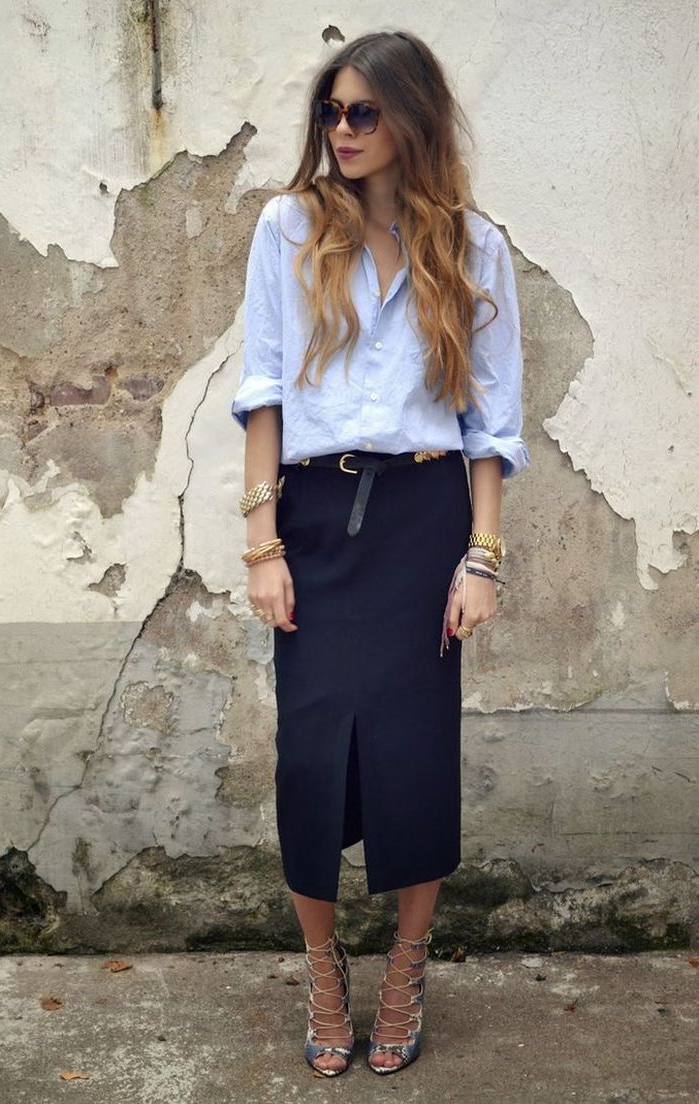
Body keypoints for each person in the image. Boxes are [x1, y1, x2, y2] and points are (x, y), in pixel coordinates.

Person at [231, 28, 529, 1078]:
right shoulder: (288, 226)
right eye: (331, 111)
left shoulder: (474, 247)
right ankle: (323, 969)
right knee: (310, 756)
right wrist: (261, 542)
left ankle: (406, 966)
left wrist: (482, 556)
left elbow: (489, 421)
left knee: (413, 754)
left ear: (412, 117)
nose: (342, 130)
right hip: (314, 515)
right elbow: (262, 387)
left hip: (422, 519)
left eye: (363, 112)